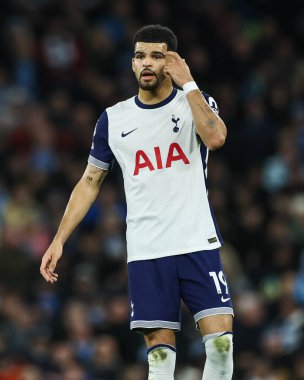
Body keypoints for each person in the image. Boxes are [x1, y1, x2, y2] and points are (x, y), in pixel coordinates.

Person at [40, 24, 234, 380]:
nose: (147, 63)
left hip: (196, 241)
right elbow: (89, 181)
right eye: (140, 56)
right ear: (132, 64)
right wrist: (59, 238)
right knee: (160, 361)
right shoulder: (113, 119)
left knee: (221, 347)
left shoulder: (195, 102)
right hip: (147, 250)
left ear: (172, 62)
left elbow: (217, 137)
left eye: (157, 55)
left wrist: (188, 83)